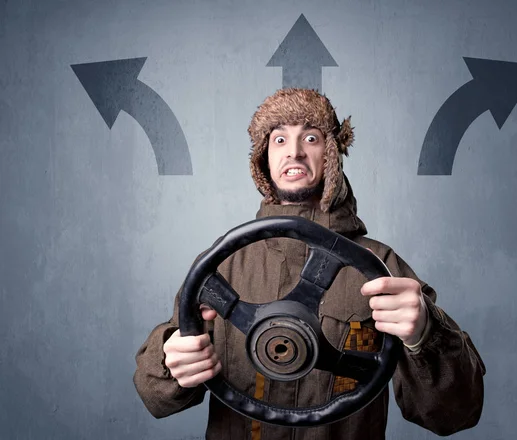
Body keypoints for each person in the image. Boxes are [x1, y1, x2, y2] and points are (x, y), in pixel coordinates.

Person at [133, 88, 486, 440]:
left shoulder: (381, 267)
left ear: (331, 154)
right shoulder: (220, 268)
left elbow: (454, 415)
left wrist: (424, 332)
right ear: (264, 160)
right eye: (280, 139)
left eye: (311, 138)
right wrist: (172, 363)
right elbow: (154, 398)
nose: (295, 152)